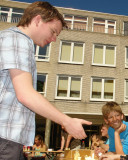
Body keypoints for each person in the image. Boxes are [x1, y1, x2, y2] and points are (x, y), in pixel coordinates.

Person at [0, 2, 92, 159]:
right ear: (37, 20)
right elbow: (25, 94)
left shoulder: (10, 38)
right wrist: (66, 121)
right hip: (5, 139)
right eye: (53, 31)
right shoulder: (18, 40)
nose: (54, 39)